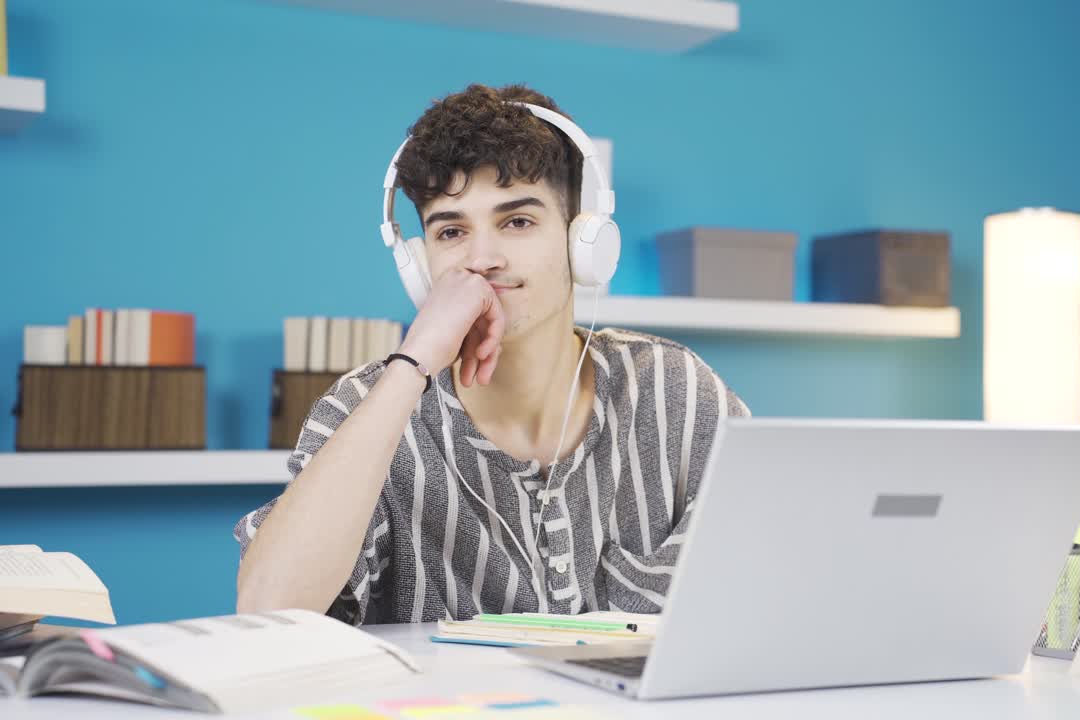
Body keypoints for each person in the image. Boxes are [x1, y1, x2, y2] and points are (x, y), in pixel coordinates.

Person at [234, 83, 749, 625]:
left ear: (584, 240)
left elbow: (773, 579)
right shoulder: (364, 406)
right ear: (419, 260)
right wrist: (413, 364)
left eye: (518, 221)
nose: (482, 258)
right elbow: (267, 612)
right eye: (452, 231)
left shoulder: (676, 391)